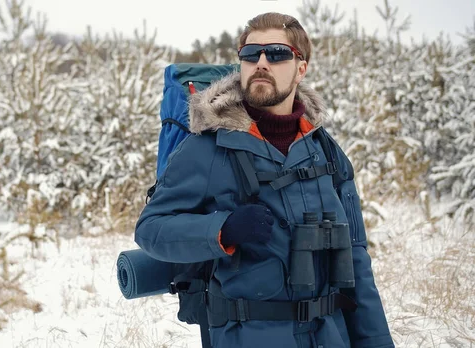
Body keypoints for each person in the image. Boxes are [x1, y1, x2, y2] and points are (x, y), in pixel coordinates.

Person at [134, 12, 394, 348]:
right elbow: (150, 228)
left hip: (331, 336)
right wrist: (222, 230)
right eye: (250, 54)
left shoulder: (326, 152)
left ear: (301, 68)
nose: (261, 62)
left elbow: (357, 260)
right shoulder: (207, 148)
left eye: (277, 54)